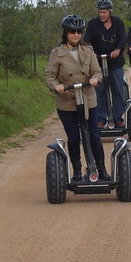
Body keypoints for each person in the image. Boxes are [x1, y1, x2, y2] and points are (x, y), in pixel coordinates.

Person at [44, 14, 108, 182]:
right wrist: (55, 86)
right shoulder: (57, 53)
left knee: (94, 136)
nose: (76, 34)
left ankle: (101, 170)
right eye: (72, 31)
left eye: (79, 31)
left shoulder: (88, 50)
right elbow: (49, 75)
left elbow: (97, 71)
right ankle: (78, 172)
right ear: (66, 33)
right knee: (74, 138)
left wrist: (95, 79)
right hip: (67, 100)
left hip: (88, 99)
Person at [83, 0, 127, 127]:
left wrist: (118, 49)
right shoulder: (93, 24)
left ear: (110, 12)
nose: (101, 15)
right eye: (100, 12)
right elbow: (87, 40)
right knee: (99, 90)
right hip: (98, 63)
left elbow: (122, 38)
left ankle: (117, 116)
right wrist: (91, 53)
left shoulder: (118, 22)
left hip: (115, 61)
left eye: (104, 12)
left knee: (118, 89)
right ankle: (101, 118)